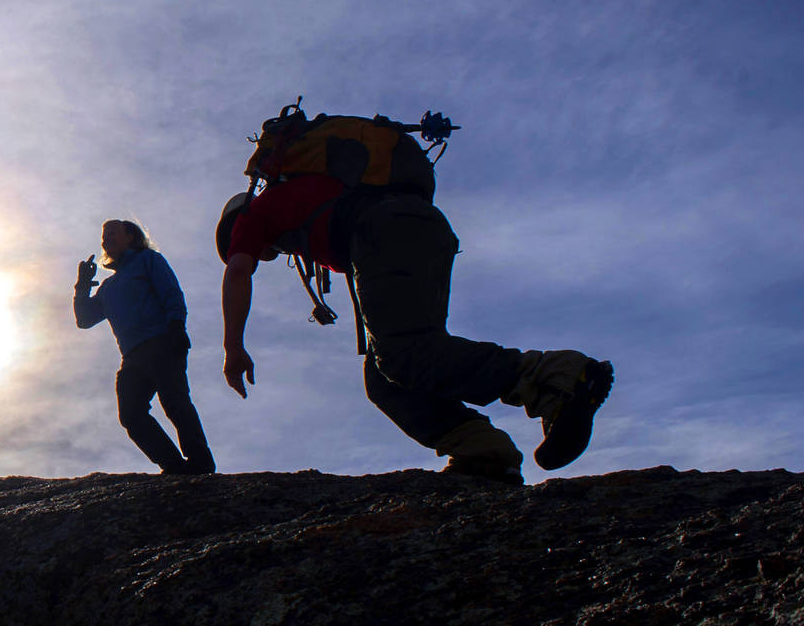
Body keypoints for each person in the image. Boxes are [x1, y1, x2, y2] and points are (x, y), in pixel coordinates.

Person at [216, 179, 612, 483]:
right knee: (386, 375)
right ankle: (483, 451)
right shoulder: (317, 191)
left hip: (382, 232)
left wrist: (233, 347)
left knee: (401, 355)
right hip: (421, 227)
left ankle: (555, 377)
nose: (270, 255)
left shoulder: (256, 214)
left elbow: (237, 272)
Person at [74, 220, 215, 475]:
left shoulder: (149, 260)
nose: (106, 240)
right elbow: (84, 320)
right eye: (104, 236)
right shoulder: (108, 287)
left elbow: (170, 292)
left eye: (113, 233)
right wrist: (82, 286)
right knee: (131, 414)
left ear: (130, 237)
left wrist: (176, 327)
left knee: (175, 403)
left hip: (162, 341)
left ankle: (200, 463)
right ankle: (173, 465)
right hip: (132, 356)